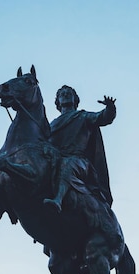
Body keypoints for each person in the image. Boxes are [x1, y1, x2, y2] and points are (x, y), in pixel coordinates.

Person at [43, 85, 116, 213]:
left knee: (67, 164)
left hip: (78, 161)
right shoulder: (52, 124)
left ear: (75, 99)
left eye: (69, 93)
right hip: (57, 160)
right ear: (58, 102)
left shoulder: (83, 116)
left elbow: (103, 117)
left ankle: (58, 200)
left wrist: (110, 108)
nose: (65, 95)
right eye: (62, 94)